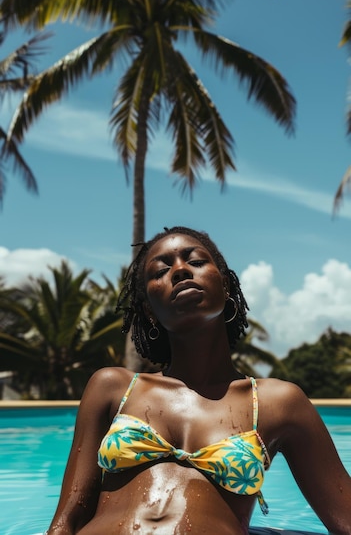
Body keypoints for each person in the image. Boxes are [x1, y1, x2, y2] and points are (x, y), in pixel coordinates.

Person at [46, 226, 351, 535]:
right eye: (161, 270)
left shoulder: (278, 403)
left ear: (226, 285)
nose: (180, 271)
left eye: (195, 261)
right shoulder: (113, 388)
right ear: (149, 310)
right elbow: (65, 523)